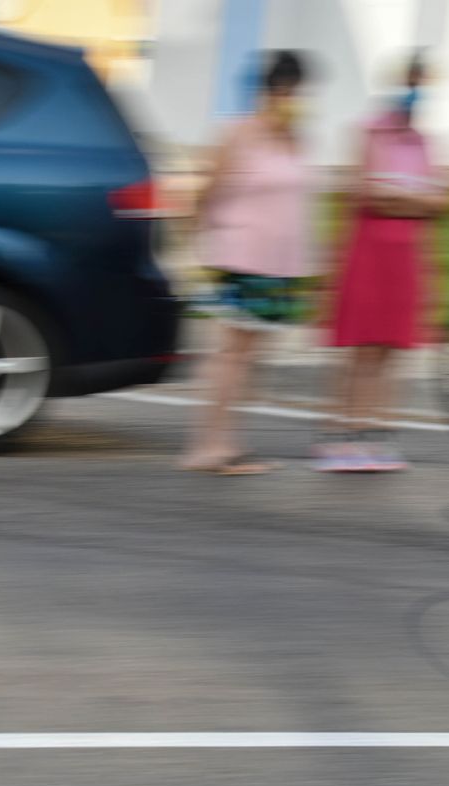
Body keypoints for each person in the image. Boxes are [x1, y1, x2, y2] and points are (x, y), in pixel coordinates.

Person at [319, 52, 449, 473]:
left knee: (392, 349)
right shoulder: (369, 133)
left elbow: (448, 199)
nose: (416, 92)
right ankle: (345, 434)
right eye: (411, 82)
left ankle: (376, 432)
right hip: (368, 252)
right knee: (363, 348)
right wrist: (418, 199)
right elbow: (368, 193)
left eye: (423, 84)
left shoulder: (427, 143)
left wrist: (402, 197)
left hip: (407, 256)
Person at [180, 50, 315, 475]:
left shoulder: (296, 139)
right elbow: (206, 192)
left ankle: (229, 444)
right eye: (284, 90)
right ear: (268, 91)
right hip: (241, 256)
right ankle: (208, 447)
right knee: (231, 355)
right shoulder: (238, 133)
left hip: (280, 264)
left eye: (296, 90)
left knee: (249, 358)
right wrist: (200, 243)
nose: (290, 98)